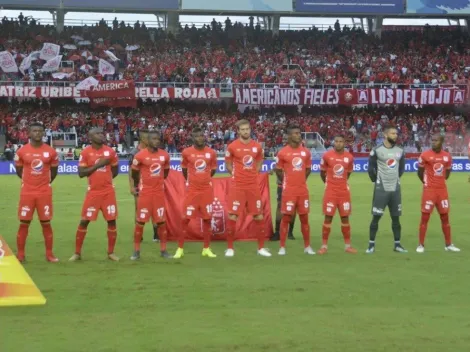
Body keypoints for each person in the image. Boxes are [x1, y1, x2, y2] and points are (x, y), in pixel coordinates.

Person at [69, 128, 120, 262]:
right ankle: (77, 253)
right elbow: (81, 173)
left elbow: (115, 171)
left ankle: (111, 252)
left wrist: (106, 180)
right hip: (93, 193)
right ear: (90, 137)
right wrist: (98, 165)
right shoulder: (85, 153)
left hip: (108, 193)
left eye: (102, 133)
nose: (101, 135)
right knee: (84, 221)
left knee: (112, 221)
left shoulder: (110, 152)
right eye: (97, 134)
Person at [14, 122, 59, 262]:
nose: (37, 133)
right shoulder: (21, 151)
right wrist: (28, 182)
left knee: (46, 222)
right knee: (24, 222)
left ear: (43, 133)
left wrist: (44, 183)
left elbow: (54, 172)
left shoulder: (51, 151)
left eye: (40, 131)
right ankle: (21, 254)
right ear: (29, 133)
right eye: (34, 131)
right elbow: (19, 171)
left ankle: (49, 254)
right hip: (27, 192)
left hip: (44, 192)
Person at [225, 119, 270, 257]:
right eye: (242, 129)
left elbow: (260, 161)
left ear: (250, 130)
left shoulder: (257, 147)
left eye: (247, 129)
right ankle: (230, 248)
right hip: (238, 186)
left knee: (258, 215)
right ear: (238, 131)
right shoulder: (232, 146)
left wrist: (254, 174)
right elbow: (228, 164)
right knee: (233, 215)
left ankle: (261, 248)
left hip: (252, 186)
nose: (245, 131)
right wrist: (235, 175)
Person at [173, 127, 217, 259]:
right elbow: (184, 170)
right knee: (185, 219)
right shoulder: (187, 152)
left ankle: (206, 248)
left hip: (206, 191)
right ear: (192, 138)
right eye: (196, 136)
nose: (200, 138)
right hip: (192, 191)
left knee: (207, 219)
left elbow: (213, 170)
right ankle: (180, 248)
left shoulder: (211, 152)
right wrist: (192, 181)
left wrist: (204, 178)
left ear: (204, 137)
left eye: (201, 136)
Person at [130, 130, 171, 260]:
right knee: (140, 222)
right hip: (145, 194)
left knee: (161, 222)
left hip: (158, 193)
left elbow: (165, 173)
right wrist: (138, 184)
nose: (156, 141)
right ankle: (136, 251)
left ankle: (164, 250)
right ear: (147, 141)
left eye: (158, 139)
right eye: (153, 139)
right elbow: (134, 173)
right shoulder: (140, 156)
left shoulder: (164, 155)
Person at [367, 125, 407, 253]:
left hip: (395, 189)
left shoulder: (400, 151)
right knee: (376, 217)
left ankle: (397, 244)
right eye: (392, 133)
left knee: (396, 218)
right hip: (381, 189)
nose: (395, 135)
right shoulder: (377, 150)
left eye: (396, 133)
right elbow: (370, 169)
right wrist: (377, 181)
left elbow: (401, 169)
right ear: (385, 135)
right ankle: (371, 245)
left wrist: (394, 179)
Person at [275, 126, 314, 255]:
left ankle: (307, 247)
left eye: (299, 133)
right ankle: (282, 246)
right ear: (290, 136)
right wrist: (288, 180)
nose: (299, 135)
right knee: (286, 218)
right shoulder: (283, 152)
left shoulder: (306, 152)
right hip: (289, 191)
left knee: (304, 218)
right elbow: (278, 170)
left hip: (302, 191)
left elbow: (308, 169)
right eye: (296, 133)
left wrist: (301, 180)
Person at [416, 134, 460, 253]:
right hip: (429, 190)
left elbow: (447, 173)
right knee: (425, 217)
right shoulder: (425, 155)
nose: (433, 142)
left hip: (442, 191)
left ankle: (448, 244)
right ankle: (421, 245)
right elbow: (419, 172)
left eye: (436, 140)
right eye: (432, 140)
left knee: (445, 217)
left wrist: (439, 181)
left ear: (441, 142)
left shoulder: (447, 156)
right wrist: (426, 183)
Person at [318, 135, 357, 254]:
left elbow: (348, 174)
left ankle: (347, 246)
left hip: (344, 192)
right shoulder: (327, 155)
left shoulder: (349, 157)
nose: (339, 143)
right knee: (328, 217)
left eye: (341, 141)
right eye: (336, 141)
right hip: (331, 192)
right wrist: (329, 183)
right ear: (333, 143)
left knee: (345, 218)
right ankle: (324, 246)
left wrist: (341, 183)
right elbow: (322, 173)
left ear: (344, 143)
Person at [128, 129, 159, 242]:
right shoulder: (134, 153)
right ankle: (138, 234)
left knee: (155, 209)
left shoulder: (154, 151)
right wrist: (132, 186)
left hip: (153, 185)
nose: (150, 140)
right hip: (139, 185)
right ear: (142, 139)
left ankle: (156, 234)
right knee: (139, 209)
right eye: (147, 138)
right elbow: (131, 171)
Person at [270, 134, 296, 241]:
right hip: (282, 185)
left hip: (294, 185)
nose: (285, 140)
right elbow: (278, 167)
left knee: (293, 208)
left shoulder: (299, 152)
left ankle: (290, 232)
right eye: (283, 138)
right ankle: (277, 232)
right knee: (280, 206)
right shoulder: (281, 153)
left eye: (286, 138)